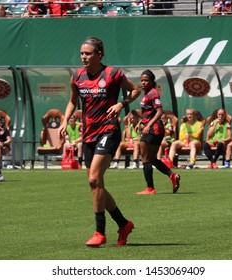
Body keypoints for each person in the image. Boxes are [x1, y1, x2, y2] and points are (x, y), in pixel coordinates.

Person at [58, 36, 141, 247]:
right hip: (88, 134)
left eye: (88, 53)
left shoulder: (113, 74)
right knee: (97, 186)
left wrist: (121, 104)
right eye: (82, 53)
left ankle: (99, 232)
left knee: (94, 180)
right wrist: (64, 121)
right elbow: (72, 102)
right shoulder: (77, 76)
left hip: (109, 131)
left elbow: (135, 90)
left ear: (99, 54)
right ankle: (123, 224)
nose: (84, 57)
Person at [136, 70, 180, 195]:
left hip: (153, 129)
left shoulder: (153, 93)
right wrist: (141, 122)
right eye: (142, 80)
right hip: (153, 128)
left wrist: (148, 125)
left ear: (152, 81)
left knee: (145, 159)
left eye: (146, 80)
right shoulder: (147, 94)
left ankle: (150, 188)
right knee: (152, 159)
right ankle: (172, 175)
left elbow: (159, 112)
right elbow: (148, 112)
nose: (143, 82)